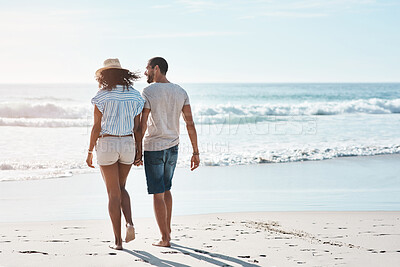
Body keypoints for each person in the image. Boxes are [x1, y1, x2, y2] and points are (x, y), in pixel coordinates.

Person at [139, 57, 200, 247]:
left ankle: (165, 238)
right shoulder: (180, 91)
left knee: (158, 193)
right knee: (166, 189)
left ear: (156, 69)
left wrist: (136, 151)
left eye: (147, 68)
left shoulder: (148, 91)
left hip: (154, 147)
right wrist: (195, 152)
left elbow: (142, 125)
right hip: (173, 147)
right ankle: (168, 231)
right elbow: (190, 123)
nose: (145, 72)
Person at [86, 58, 145, 250]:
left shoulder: (101, 96)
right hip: (128, 143)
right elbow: (137, 128)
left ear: (105, 76)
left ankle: (118, 242)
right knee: (121, 187)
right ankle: (129, 223)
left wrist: (89, 151)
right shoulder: (136, 96)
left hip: (107, 143)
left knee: (112, 193)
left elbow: (96, 127)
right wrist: (139, 151)